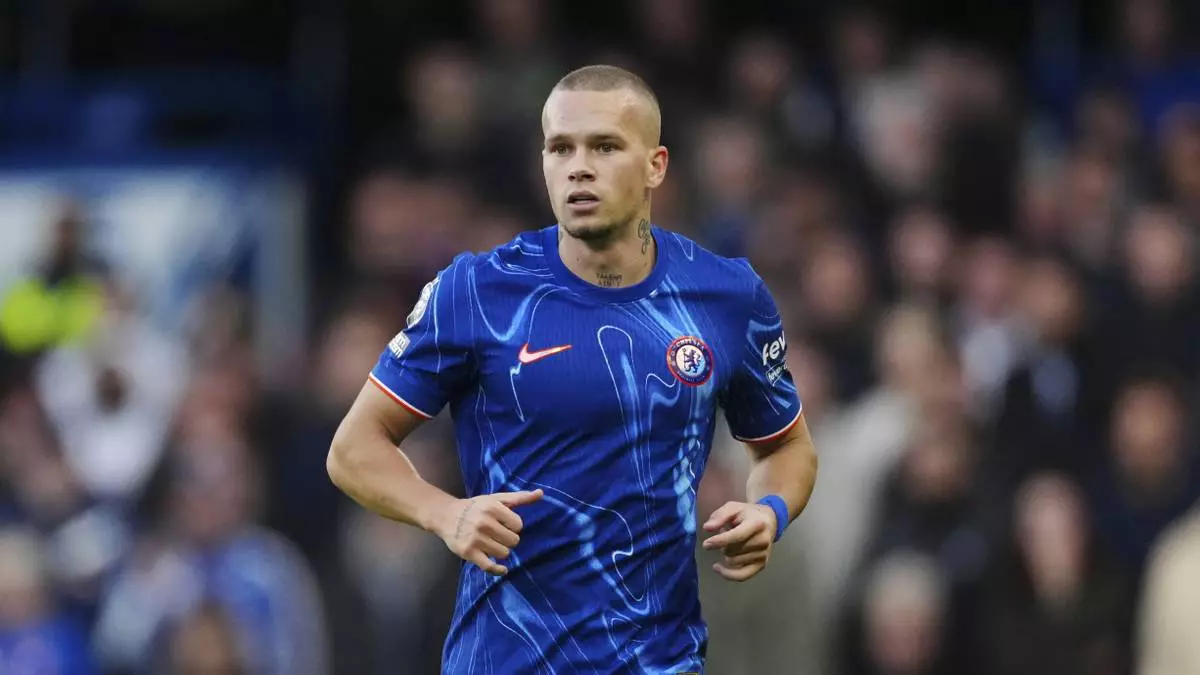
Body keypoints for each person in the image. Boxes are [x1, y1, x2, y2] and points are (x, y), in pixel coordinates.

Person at [327, 64, 819, 673]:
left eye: (604, 147)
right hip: (506, 660)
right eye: (560, 148)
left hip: (659, 661)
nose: (578, 167)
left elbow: (786, 446)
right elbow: (353, 449)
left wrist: (769, 510)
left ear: (656, 166)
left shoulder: (727, 296)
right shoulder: (478, 291)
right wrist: (444, 513)